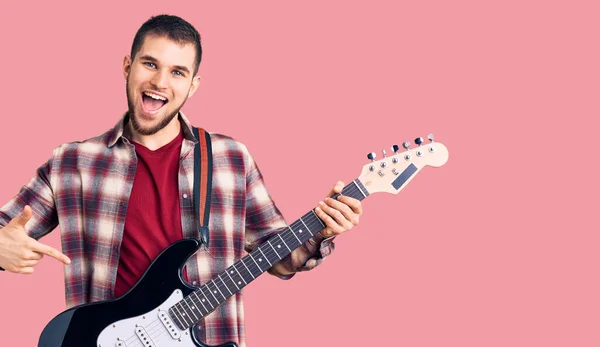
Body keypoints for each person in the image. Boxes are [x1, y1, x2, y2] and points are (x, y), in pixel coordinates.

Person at [0, 14, 362, 346]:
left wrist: (323, 228)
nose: (159, 82)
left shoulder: (231, 159)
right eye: (150, 64)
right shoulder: (73, 162)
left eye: (177, 72)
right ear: (127, 67)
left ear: (193, 85)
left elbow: (283, 260)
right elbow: (7, 228)